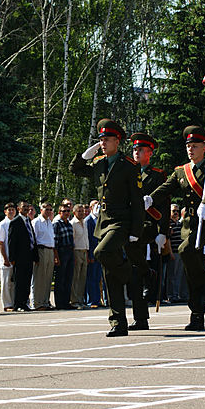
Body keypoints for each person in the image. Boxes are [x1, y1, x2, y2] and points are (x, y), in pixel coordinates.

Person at [146, 125, 205, 332]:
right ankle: (197, 313)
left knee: (185, 251)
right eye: (188, 145)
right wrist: (151, 198)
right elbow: (167, 187)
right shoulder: (182, 171)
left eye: (195, 146)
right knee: (192, 272)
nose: (190, 149)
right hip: (189, 223)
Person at [71, 119, 144, 337]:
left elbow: (137, 201)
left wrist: (135, 231)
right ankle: (118, 323)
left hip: (121, 221)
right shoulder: (99, 163)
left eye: (107, 140)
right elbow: (75, 169)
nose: (103, 143)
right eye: (101, 140)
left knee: (101, 252)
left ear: (117, 141)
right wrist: (86, 155)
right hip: (104, 223)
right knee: (110, 275)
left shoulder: (129, 166)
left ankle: (130, 274)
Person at [127, 132, 168, 330]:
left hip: (147, 227)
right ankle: (141, 318)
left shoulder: (157, 176)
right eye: (134, 149)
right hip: (128, 227)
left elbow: (164, 206)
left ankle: (146, 273)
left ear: (149, 153)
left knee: (135, 272)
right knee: (133, 274)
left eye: (140, 149)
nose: (136, 152)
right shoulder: (126, 172)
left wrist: (163, 231)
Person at [8, 201, 37, 312]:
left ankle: (24, 303)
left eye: (27, 207)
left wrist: (35, 256)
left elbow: (32, 238)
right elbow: (11, 241)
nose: (25, 209)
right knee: (19, 282)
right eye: (23, 207)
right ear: (18, 209)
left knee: (27, 281)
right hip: (19, 257)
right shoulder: (15, 222)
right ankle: (18, 304)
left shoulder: (28, 220)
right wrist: (12, 258)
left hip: (29, 256)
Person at [30, 203, 56, 311]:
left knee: (47, 278)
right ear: (41, 210)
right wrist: (35, 256)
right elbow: (33, 240)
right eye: (46, 209)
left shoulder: (49, 222)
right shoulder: (36, 222)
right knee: (39, 278)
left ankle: (45, 301)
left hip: (50, 250)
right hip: (41, 250)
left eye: (50, 209)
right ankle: (37, 302)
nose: (49, 211)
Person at [52, 203, 76, 310]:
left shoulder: (69, 224)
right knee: (60, 279)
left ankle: (66, 302)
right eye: (64, 211)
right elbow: (55, 242)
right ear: (59, 213)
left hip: (70, 251)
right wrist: (56, 257)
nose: (66, 213)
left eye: (68, 211)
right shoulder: (57, 224)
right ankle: (60, 303)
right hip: (61, 251)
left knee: (68, 278)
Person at [0, 202, 17, 311]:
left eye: (13, 209)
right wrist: (5, 258)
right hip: (6, 259)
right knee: (6, 283)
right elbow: (0, 242)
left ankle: (14, 303)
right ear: (5, 212)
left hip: (15, 259)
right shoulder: (2, 224)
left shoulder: (16, 223)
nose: (11, 211)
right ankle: (7, 304)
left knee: (13, 283)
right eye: (9, 210)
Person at [70, 203, 90, 308]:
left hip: (84, 251)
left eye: (83, 211)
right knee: (76, 276)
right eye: (79, 211)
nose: (82, 213)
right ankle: (74, 300)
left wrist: (87, 252)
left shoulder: (85, 222)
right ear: (74, 212)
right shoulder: (73, 223)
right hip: (76, 251)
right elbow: (72, 240)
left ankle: (81, 299)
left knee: (83, 276)